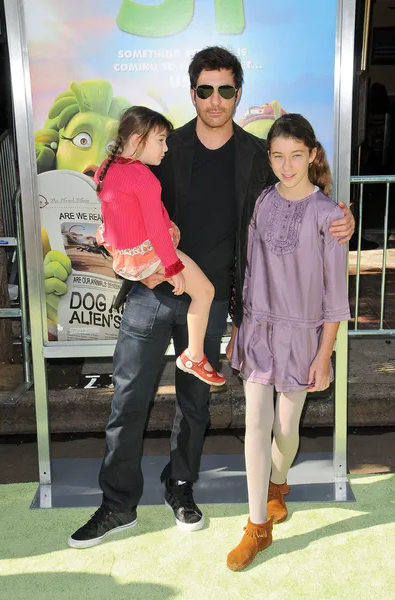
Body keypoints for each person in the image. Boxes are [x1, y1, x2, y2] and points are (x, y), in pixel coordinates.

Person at [68, 47, 355, 550]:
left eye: (226, 89)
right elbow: (118, 193)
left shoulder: (256, 155)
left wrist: (341, 217)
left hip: (213, 297)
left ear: (238, 93)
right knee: (127, 399)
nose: (216, 100)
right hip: (150, 288)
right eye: (205, 89)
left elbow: (299, 193)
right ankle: (117, 505)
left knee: (194, 403)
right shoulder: (165, 146)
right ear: (192, 92)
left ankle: (180, 487)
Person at [226, 114, 351, 572]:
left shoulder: (330, 215)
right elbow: (250, 270)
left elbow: (336, 295)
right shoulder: (261, 201)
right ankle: (257, 526)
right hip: (258, 328)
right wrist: (239, 326)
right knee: (255, 424)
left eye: (296, 154)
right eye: (278, 155)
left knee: (285, 427)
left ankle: (278, 484)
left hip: (303, 335)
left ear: (312, 155)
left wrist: (325, 354)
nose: (286, 164)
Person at [94, 106, 225, 387]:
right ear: (138, 138)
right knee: (205, 291)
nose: (166, 148)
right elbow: (154, 229)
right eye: (161, 140)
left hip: (126, 257)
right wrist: (172, 267)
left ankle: (194, 355)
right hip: (151, 254)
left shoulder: (106, 168)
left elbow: (122, 212)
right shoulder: (144, 178)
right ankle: (195, 355)